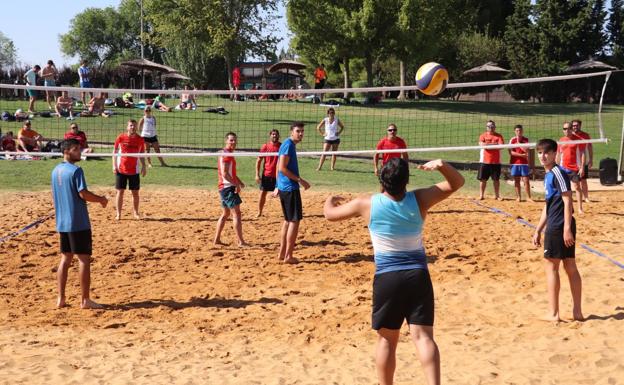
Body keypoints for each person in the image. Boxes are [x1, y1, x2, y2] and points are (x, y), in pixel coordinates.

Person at [323, 157, 464, 385]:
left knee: (387, 340)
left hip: (388, 278)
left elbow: (329, 214)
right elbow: (457, 182)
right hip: (418, 275)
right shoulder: (419, 199)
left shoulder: (367, 203)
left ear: (381, 180)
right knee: (424, 337)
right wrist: (442, 164)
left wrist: (329, 199)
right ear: (406, 181)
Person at [51, 138, 108, 309]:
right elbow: (83, 194)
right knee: (83, 259)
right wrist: (101, 200)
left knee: (65, 258)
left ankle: (61, 299)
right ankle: (85, 300)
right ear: (67, 151)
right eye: (76, 149)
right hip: (78, 222)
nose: (80, 152)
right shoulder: (76, 171)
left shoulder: (56, 170)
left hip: (62, 222)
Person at [532, 138, 583, 322]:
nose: (542, 156)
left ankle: (554, 314)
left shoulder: (557, 172)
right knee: (569, 266)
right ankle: (577, 313)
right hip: (557, 224)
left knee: (553, 266)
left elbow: (568, 200)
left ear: (555, 153)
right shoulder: (548, 175)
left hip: (559, 225)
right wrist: (538, 229)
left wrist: (567, 228)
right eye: (539, 152)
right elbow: (549, 205)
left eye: (546, 152)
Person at [277, 122, 311, 264]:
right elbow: (282, 168)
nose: (301, 133)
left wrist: (277, 186)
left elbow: (280, 167)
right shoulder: (288, 144)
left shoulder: (288, 144)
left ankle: (282, 253)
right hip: (290, 188)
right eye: (298, 131)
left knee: (287, 221)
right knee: (294, 222)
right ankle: (288, 256)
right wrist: (300, 180)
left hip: (285, 187)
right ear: (292, 132)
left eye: (302, 131)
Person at [214, 132, 248, 247]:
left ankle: (217, 239)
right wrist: (236, 185)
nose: (233, 142)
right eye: (231, 140)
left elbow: (230, 173)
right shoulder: (227, 155)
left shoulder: (226, 153)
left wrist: (239, 182)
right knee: (236, 214)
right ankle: (241, 242)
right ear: (226, 141)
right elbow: (225, 174)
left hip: (224, 187)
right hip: (227, 187)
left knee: (225, 214)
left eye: (234, 140)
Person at [113, 119, 147, 220]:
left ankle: (136, 213)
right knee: (120, 192)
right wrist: (114, 166)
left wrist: (144, 166)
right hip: (121, 169)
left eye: (134, 126)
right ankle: (118, 214)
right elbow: (114, 153)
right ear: (127, 127)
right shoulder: (120, 137)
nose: (133, 127)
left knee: (135, 192)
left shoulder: (140, 139)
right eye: (131, 126)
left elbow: (141, 154)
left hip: (134, 170)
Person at [557, 122, 585, 214]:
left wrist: (582, 167)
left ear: (572, 129)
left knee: (577, 187)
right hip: (563, 167)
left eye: (568, 128)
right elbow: (558, 154)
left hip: (574, 167)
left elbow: (582, 154)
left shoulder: (578, 140)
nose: (566, 130)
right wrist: (556, 167)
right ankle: (568, 207)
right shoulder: (561, 140)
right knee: (565, 189)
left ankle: (580, 208)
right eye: (564, 129)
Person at [255, 129, 281, 217]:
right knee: (263, 193)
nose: (274, 136)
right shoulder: (265, 146)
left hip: (279, 175)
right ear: (270, 135)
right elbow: (258, 161)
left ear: (278, 136)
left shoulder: (281, 146)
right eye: (273, 134)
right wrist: (257, 174)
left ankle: (287, 212)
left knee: (284, 194)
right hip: (267, 174)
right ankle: (259, 212)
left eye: (276, 134)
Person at [477, 120, 504, 200]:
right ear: (486, 127)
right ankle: (481, 195)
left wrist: (488, 145)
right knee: (482, 179)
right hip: (484, 161)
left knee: (496, 180)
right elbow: (482, 145)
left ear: (495, 127)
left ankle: (497, 195)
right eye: (489, 126)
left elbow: (501, 146)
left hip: (496, 162)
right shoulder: (483, 135)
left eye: (492, 126)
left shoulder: (499, 136)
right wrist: (495, 144)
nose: (491, 128)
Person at [508, 124, 533, 202]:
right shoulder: (512, 140)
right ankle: (518, 197)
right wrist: (521, 155)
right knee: (517, 180)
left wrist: (519, 143)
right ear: (515, 131)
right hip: (515, 163)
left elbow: (527, 151)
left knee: (526, 180)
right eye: (517, 130)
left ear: (522, 131)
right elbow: (511, 152)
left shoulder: (526, 140)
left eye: (520, 130)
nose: (519, 132)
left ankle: (528, 197)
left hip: (524, 163)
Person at [572, 119, 592, 203]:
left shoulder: (586, 135)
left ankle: (586, 197)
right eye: (573, 125)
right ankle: (572, 196)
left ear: (580, 126)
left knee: (583, 180)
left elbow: (590, 148)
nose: (575, 127)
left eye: (577, 125)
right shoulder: (570, 135)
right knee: (572, 181)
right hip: (572, 162)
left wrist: (591, 159)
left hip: (584, 161)